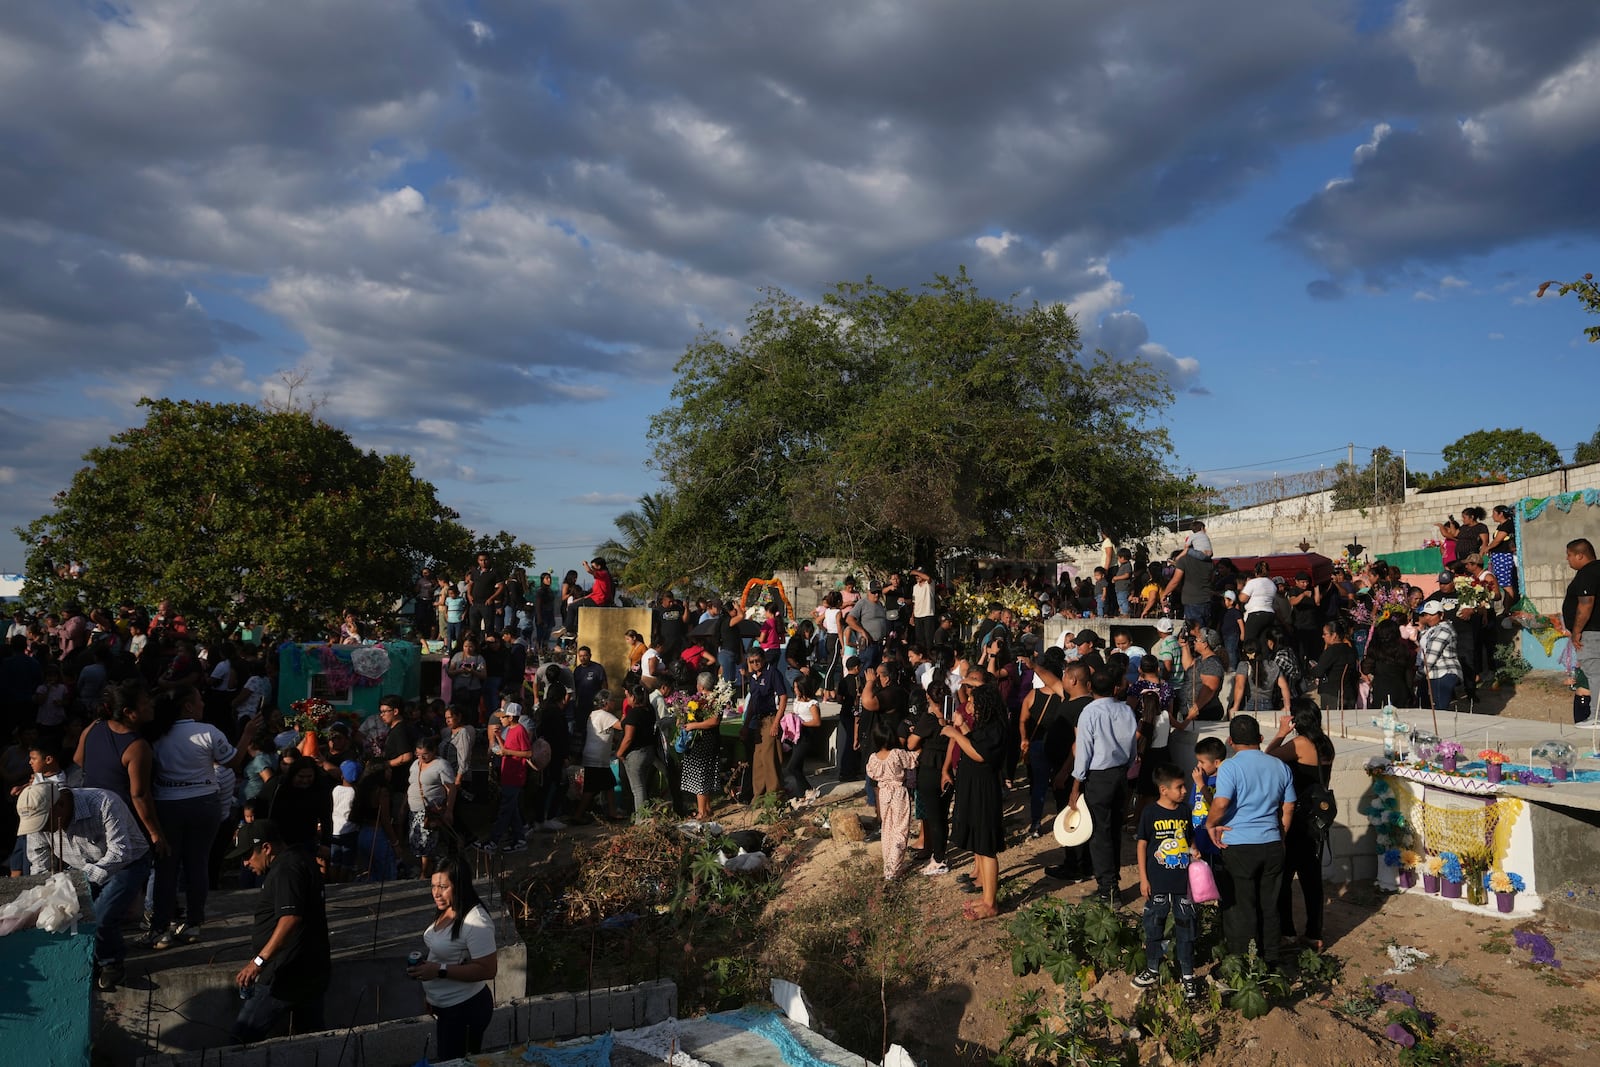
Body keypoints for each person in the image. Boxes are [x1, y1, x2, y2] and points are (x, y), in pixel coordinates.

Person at [148, 685, 258, 949]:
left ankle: (161, 927)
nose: (203, 705)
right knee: (197, 864)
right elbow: (233, 761)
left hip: (167, 804)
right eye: (199, 700)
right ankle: (194, 923)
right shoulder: (208, 732)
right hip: (203, 803)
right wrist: (247, 735)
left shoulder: (156, 734)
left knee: (166, 867)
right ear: (188, 706)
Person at [20, 782, 151, 991]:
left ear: (60, 805)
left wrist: (80, 880)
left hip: (127, 862)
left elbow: (120, 852)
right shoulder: (41, 819)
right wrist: (47, 891)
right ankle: (93, 960)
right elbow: (39, 860)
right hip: (81, 866)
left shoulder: (104, 802)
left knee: (102, 914)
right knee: (71, 914)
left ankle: (112, 964)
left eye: (45, 823)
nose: (44, 829)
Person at [1204, 715, 1295, 969]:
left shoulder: (1230, 768)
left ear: (1231, 741)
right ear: (1261, 739)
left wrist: (1210, 824)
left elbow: (1221, 803)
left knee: (1241, 906)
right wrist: (1282, 835)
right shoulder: (1279, 766)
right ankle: (1272, 958)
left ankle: (1243, 963)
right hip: (1272, 843)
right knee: (1270, 903)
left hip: (1239, 844)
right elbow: (1288, 807)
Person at [231, 818, 331, 1043]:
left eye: (247, 856)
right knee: (312, 1043)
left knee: (239, 1041)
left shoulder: (287, 869)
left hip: (285, 976)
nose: (245, 863)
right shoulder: (300, 858)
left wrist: (257, 962)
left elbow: (290, 918)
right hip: (309, 970)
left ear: (266, 848)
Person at [404, 857, 499, 1059]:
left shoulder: (476, 921)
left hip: (465, 1010)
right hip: (446, 1008)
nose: (436, 893)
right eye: (433, 886)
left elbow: (488, 969)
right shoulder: (446, 909)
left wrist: (439, 970)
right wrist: (431, 995)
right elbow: (441, 953)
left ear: (460, 885)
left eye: (443, 887)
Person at [1063, 668, 1139, 905]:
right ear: (1116, 687)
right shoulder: (1126, 710)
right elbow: (1132, 745)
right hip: (1120, 774)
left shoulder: (1089, 712)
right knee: (1114, 830)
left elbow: (1084, 752)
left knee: (1099, 834)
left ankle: (1108, 889)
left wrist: (1076, 785)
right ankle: (1111, 881)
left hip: (1099, 777)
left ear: (1089, 688)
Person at [1266, 702, 1335, 951]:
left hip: (1295, 816)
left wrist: (1282, 732)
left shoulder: (1300, 743)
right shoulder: (1326, 744)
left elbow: (1267, 757)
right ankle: (1314, 933)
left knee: (1284, 876)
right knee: (1312, 879)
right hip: (1316, 818)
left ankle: (1287, 932)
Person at [1131, 765, 1201, 1002]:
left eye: (1184, 786)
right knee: (1153, 926)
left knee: (1186, 928)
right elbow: (1142, 844)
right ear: (1163, 790)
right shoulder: (1150, 813)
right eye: (1179, 787)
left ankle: (1188, 976)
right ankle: (1152, 968)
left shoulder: (1184, 811)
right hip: (1157, 882)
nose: (1184, 790)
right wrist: (1143, 878)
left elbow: (1189, 838)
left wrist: (1194, 850)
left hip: (1183, 883)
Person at [945, 668, 1006, 920]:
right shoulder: (985, 725)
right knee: (979, 845)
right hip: (973, 785)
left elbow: (980, 754)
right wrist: (964, 730)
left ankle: (991, 903)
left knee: (987, 846)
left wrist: (955, 734)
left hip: (984, 789)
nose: (967, 703)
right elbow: (977, 742)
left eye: (972, 701)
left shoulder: (996, 726)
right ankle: (985, 898)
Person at [867, 719, 917, 881]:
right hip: (898, 793)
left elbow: (871, 774)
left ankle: (888, 864)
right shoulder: (896, 754)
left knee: (887, 829)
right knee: (900, 829)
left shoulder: (873, 758)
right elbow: (912, 760)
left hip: (884, 793)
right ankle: (893, 869)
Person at [484, 704, 532, 852]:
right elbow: (507, 748)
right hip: (508, 775)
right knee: (512, 810)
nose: (501, 720)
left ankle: (493, 841)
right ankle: (520, 840)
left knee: (505, 810)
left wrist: (507, 752)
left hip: (515, 776)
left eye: (503, 717)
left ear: (511, 717)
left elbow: (528, 753)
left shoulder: (519, 730)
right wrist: (498, 737)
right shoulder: (510, 730)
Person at [741, 649, 788, 801]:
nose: (755, 664)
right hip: (758, 720)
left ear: (763, 659)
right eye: (751, 662)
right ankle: (758, 795)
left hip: (770, 718)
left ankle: (774, 795)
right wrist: (746, 725)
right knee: (758, 759)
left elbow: (783, 697)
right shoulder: (753, 677)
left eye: (757, 661)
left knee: (769, 757)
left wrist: (776, 723)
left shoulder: (772, 673)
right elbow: (753, 704)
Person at [408, 736, 457, 878]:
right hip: (414, 810)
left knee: (426, 842)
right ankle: (425, 869)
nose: (421, 757)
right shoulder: (415, 764)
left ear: (433, 751)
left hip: (430, 812)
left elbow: (451, 788)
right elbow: (412, 784)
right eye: (418, 754)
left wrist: (449, 810)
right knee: (417, 841)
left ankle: (425, 872)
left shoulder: (441, 765)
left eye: (425, 754)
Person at [679, 671, 724, 820]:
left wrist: (694, 725)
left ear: (700, 686)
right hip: (705, 742)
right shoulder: (701, 699)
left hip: (704, 743)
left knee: (701, 777)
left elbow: (714, 721)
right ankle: (707, 807)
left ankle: (702, 812)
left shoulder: (713, 700)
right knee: (705, 775)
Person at [615, 687, 662, 817]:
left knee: (638, 789)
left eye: (628, 696)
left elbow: (628, 737)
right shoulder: (649, 709)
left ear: (634, 698)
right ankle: (644, 815)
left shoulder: (634, 713)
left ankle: (641, 819)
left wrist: (619, 753)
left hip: (636, 754)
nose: (627, 699)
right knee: (642, 786)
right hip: (649, 751)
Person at [1564, 539, 1600, 700]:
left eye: (1569, 555)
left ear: (1580, 555)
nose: (1567, 559)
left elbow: (1586, 604)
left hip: (1591, 632)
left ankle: (1595, 716)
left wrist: (1577, 631)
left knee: (1594, 675)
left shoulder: (1588, 572)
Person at [1417, 600, 1462, 711]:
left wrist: (1418, 675)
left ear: (1441, 615)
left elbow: (1430, 658)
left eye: (1432, 614)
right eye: (1426, 614)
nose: (1428, 617)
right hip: (1432, 674)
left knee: (1440, 711)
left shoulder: (1443, 630)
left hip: (1442, 674)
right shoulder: (1432, 629)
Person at [1310, 621, 1359, 710]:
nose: (1323, 636)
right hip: (1349, 693)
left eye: (1325, 634)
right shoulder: (1350, 650)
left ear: (1334, 635)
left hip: (1332, 695)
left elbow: (1319, 672)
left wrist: (1312, 669)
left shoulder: (1332, 651)